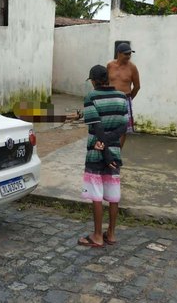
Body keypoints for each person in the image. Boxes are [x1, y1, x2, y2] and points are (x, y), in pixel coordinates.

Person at [78, 65, 128, 248]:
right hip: (114, 151)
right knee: (113, 194)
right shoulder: (122, 97)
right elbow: (123, 127)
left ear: (93, 81)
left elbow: (97, 127)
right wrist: (110, 151)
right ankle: (112, 234)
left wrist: (104, 151)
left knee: (96, 194)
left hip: (96, 152)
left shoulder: (91, 97)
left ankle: (98, 236)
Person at [107, 43, 140, 147]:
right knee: (108, 125)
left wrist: (129, 99)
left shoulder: (132, 67)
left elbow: (137, 86)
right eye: (126, 54)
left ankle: (117, 153)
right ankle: (108, 150)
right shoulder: (110, 65)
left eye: (130, 54)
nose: (128, 56)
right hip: (110, 99)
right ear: (119, 53)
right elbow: (105, 82)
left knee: (123, 128)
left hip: (125, 99)